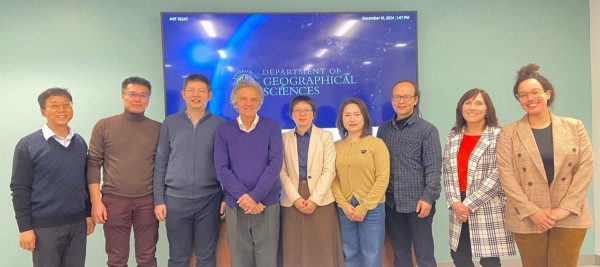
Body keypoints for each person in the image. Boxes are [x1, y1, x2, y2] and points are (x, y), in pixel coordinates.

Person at [496, 64, 593, 267]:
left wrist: (564, 209)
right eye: (523, 95)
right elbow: (506, 174)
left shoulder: (574, 126)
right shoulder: (509, 132)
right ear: (519, 100)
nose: (530, 98)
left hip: (570, 213)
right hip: (527, 215)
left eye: (535, 92)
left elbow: (585, 167)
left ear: (547, 93)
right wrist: (532, 211)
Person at [10, 88, 95, 266]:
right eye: (54, 106)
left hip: (78, 224)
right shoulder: (27, 145)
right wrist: (25, 228)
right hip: (45, 228)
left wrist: (87, 214)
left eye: (66, 105)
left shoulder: (79, 142)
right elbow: (19, 189)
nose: (62, 110)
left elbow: (83, 181)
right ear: (43, 111)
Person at [87, 77, 161, 267]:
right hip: (114, 200)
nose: (138, 99)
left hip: (147, 200)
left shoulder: (158, 128)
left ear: (148, 98)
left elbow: (162, 167)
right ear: (122, 96)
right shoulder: (104, 126)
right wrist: (96, 202)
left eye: (143, 95)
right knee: (116, 259)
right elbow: (93, 164)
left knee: (147, 258)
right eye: (132, 94)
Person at [153, 74, 225, 266]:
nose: (196, 95)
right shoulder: (170, 123)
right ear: (183, 94)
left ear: (209, 95)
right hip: (175, 200)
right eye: (191, 90)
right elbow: (161, 161)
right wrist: (159, 199)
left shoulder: (220, 125)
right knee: (178, 258)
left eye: (201, 91)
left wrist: (225, 198)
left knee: (206, 257)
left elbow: (226, 165)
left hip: (210, 199)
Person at [213, 79, 283, 267]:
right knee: (240, 259)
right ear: (234, 103)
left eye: (254, 99)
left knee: (267, 259)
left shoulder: (272, 127)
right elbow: (221, 169)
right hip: (236, 204)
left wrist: (255, 197)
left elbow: (275, 164)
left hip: (266, 203)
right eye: (243, 99)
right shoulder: (224, 131)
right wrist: (244, 198)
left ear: (260, 102)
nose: (249, 103)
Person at [442, 89, 515, 267]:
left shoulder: (499, 135)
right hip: (457, 203)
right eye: (468, 103)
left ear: (487, 109)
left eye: (478, 103)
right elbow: (448, 171)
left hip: (486, 204)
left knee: (489, 259)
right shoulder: (454, 135)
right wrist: (454, 201)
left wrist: (468, 204)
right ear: (461, 108)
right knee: (459, 256)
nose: (472, 107)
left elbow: (499, 174)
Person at [376, 80, 441, 267]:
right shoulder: (384, 129)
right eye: (397, 97)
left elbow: (434, 168)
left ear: (415, 100)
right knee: (401, 255)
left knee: (424, 256)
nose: (401, 101)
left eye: (406, 97)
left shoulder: (427, 130)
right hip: (391, 203)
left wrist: (428, 198)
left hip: (419, 204)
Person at [279, 95, 344, 267]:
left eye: (306, 110)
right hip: (292, 197)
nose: (302, 114)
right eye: (297, 111)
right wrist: (295, 198)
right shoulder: (283, 139)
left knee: (322, 247)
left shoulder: (326, 136)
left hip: (320, 198)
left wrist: (314, 199)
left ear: (313, 114)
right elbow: (281, 171)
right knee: (294, 247)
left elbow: (329, 170)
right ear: (291, 114)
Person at [332, 97, 389, 267]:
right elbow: (333, 179)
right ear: (341, 119)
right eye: (347, 115)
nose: (352, 119)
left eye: (356, 114)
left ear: (364, 117)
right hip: (346, 208)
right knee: (350, 252)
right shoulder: (335, 146)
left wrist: (364, 207)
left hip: (372, 207)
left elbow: (382, 178)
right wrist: (344, 204)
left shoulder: (376, 144)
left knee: (371, 253)